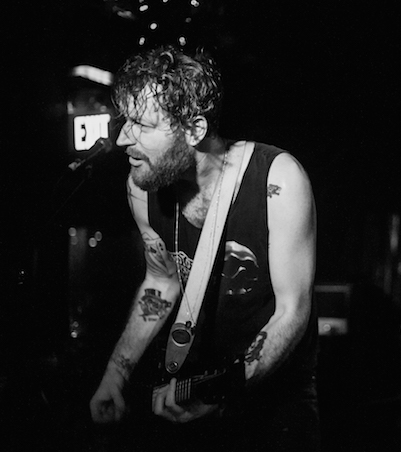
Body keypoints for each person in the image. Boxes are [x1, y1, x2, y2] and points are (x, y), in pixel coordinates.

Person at [89, 45, 319, 452]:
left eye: (140, 124)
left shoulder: (277, 180)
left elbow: (292, 310)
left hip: (273, 403)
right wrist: (115, 374)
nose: (123, 138)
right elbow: (161, 282)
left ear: (194, 130)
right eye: (126, 121)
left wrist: (221, 392)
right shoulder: (142, 188)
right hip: (188, 394)